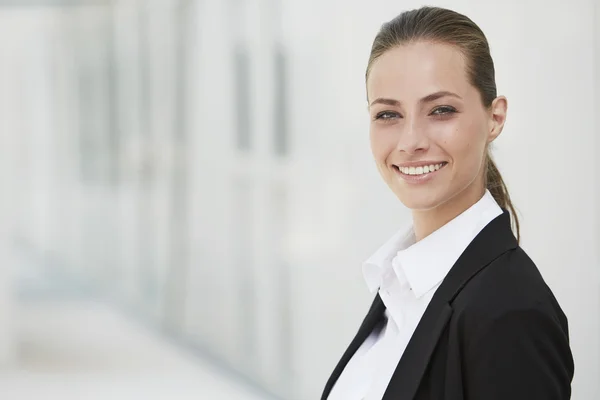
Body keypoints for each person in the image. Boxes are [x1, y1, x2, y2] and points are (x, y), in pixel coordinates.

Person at [321, 6, 574, 400]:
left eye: (441, 110)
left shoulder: (510, 311)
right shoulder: (399, 283)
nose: (410, 141)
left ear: (495, 117)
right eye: (388, 114)